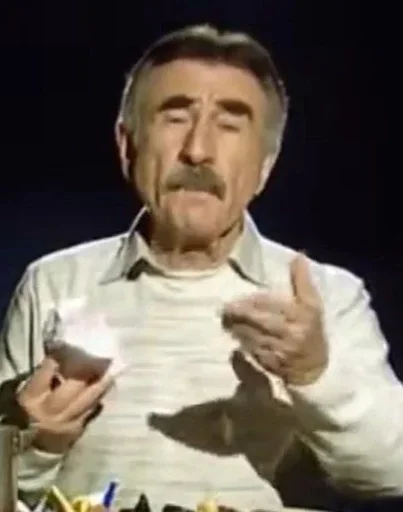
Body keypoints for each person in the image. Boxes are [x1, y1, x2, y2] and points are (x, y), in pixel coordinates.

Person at [0, 24, 402, 512]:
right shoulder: (53, 282)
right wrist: (38, 446)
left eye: (230, 125)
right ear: (127, 146)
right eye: (174, 118)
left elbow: (391, 475)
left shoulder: (326, 297)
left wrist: (314, 373)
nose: (197, 150)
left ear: (265, 165)